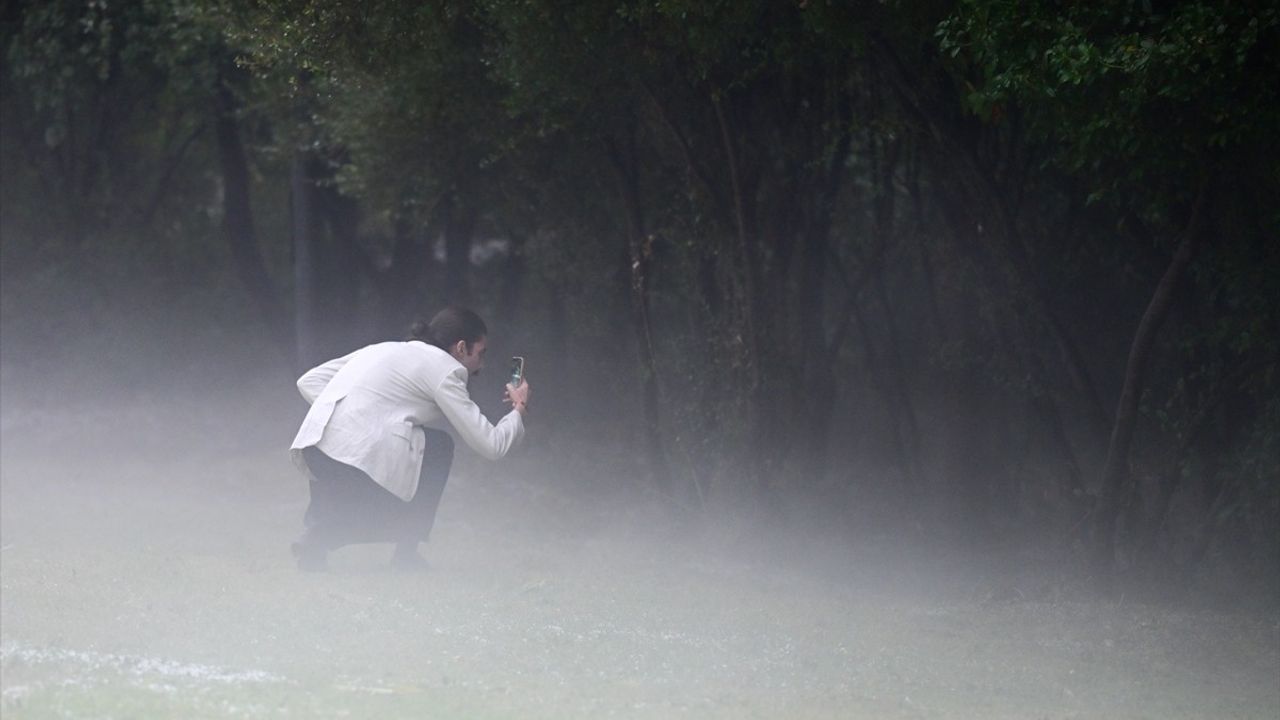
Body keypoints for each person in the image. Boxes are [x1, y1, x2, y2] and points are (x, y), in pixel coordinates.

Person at [288, 306, 529, 571]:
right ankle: (399, 553)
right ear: (461, 348)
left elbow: (309, 382)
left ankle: (317, 541)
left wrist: (352, 417)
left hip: (313, 448)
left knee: (363, 477)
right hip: (354, 455)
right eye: (480, 354)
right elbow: (492, 445)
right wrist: (519, 409)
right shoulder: (446, 370)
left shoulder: (382, 348)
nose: (480, 366)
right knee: (438, 448)